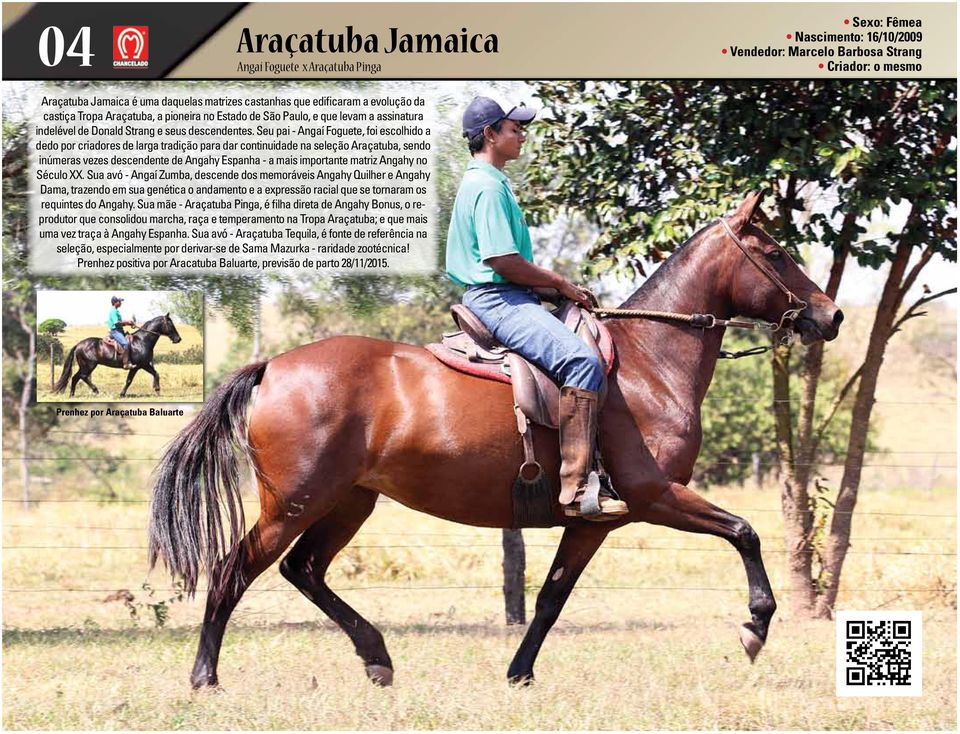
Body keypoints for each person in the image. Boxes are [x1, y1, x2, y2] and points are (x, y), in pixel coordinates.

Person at [445, 97, 628, 520]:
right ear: (490, 134)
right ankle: (578, 489)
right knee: (583, 362)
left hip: (509, 295)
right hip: (499, 299)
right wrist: (559, 282)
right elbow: (503, 261)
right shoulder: (487, 186)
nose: (522, 135)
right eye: (514, 128)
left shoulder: (491, 182)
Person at [107, 295, 136, 369]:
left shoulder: (117, 311)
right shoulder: (113, 311)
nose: (120, 303)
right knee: (126, 344)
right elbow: (117, 323)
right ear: (115, 302)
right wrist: (127, 322)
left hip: (120, 330)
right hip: (115, 331)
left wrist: (129, 323)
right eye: (119, 301)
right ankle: (125, 363)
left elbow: (120, 323)